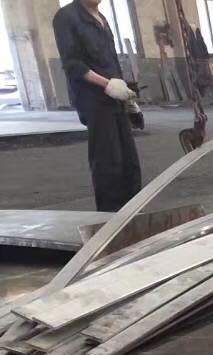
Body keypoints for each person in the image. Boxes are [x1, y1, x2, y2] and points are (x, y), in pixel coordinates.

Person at [53, 0, 141, 211]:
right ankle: (110, 218)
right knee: (108, 162)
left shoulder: (102, 19)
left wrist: (126, 94)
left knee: (129, 161)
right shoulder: (66, 17)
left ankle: (133, 213)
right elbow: (73, 65)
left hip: (116, 96)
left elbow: (111, 62)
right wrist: (107, 84)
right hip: (94, 99)